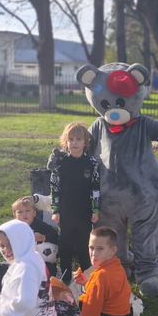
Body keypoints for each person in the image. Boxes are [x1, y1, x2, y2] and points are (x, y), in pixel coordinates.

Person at [54, 226, 133, 316]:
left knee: (56, 307)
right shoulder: (116, 266)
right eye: (91, 248)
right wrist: (87, 282)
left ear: (113, 250)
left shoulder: (100, 277)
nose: (94, 253)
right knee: (80, 301)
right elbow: (106, 292)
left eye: (100, 249)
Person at [47, 122, 101, 284]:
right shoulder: (60, 163)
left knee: (84, 243)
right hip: (65, 211)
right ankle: (65, 273)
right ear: (66, 141)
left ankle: (86, 273)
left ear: (85, 142)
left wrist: (96, 210)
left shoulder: (92, 163)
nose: (75, 143)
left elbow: (95, 188)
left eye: (78, 139)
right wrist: (55, 210)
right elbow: (54, 188)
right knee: (66, 244)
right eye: (71, 139)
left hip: (84, 211)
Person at [12, 195, 59, 278]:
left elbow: (55, 236)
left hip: (44, 262)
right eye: (20, 212)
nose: (24, 214)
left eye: (27, 211)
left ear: (34, 213)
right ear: (15, 215)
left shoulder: (40, 225)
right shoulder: (14, 228)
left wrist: (43, 237)